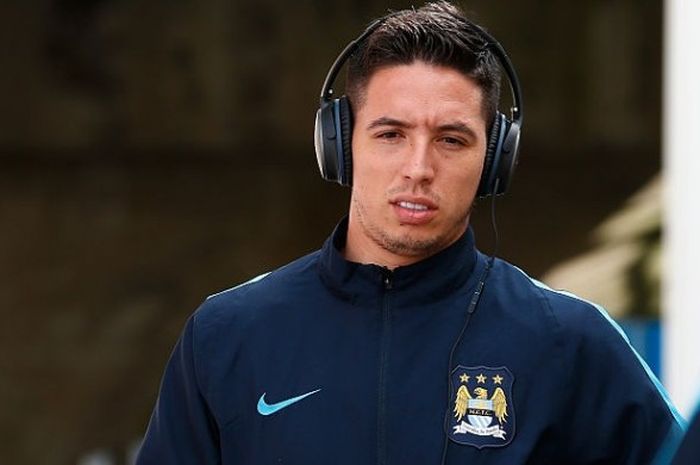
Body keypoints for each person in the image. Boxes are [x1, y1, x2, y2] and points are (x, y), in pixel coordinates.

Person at [136, 2, 685, 464]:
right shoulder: (227, 335)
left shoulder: (571, 341)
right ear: (341, 144)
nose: (419, 167)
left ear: (495, 160)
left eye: (451, 139)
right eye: (391, 134)